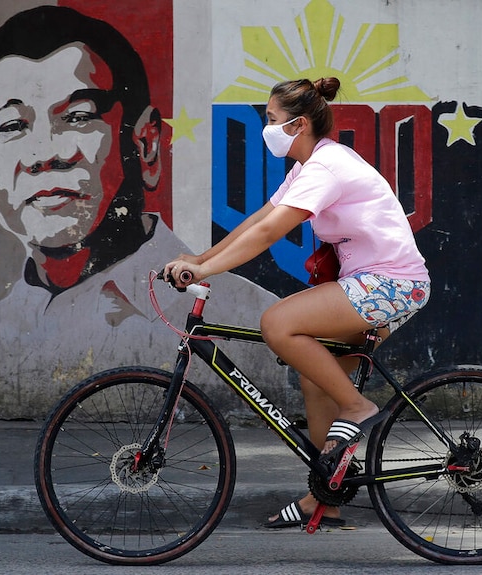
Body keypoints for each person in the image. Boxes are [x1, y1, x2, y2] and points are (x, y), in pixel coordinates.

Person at [0, 6, 286, 421]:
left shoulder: (252, 325)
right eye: (12, 126)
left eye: (79, 117)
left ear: (146, 145)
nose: (44, 154)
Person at [164, 77, 431, 528]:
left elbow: (270, 234)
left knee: (278, 323)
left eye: (271, 119)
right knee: (315, 380)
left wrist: (206, 272)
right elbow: (259, 219)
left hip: (390, 284)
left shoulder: (325, 168)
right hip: (374, 284)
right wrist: (200, 258)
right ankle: (326, 495)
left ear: (299, 124)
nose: (266, 127)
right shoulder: (308, 167)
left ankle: (358, 408)